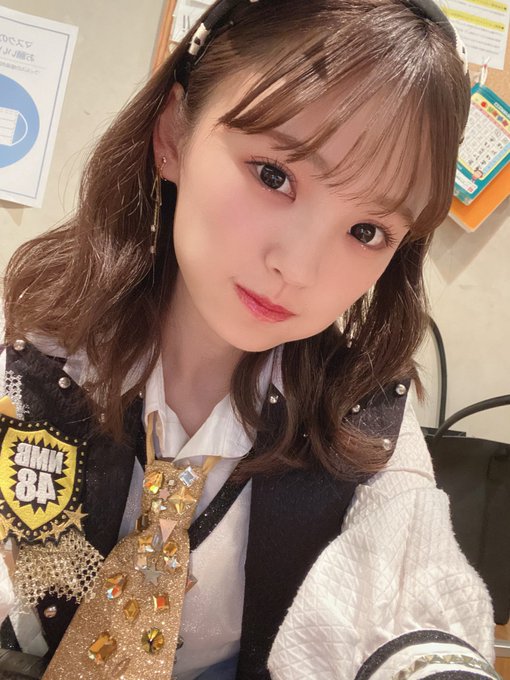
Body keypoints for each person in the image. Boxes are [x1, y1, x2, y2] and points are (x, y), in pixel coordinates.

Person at [0, 0, 499, 678]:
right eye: (274, 175)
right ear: (174, 133)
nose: (298, 268)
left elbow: (408, 584)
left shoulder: (361, 416)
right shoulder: (35, 349)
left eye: (367, 231)